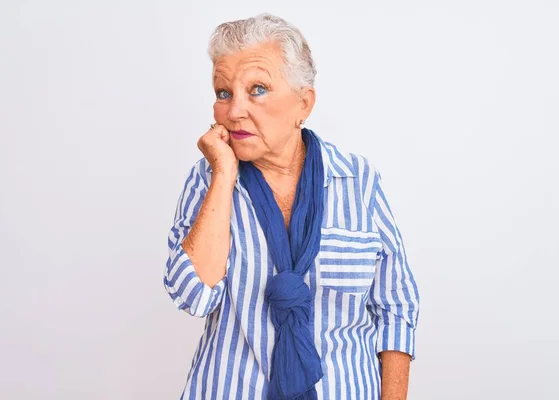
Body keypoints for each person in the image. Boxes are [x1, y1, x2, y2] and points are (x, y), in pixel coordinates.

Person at [164, 13, 419, 400]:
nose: (234, 111)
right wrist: (223, 175)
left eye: (258, 89)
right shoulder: (208, 179)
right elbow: (193, 296)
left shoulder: (357, 181)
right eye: (223, 92)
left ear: (304, 103)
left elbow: (395, 307)